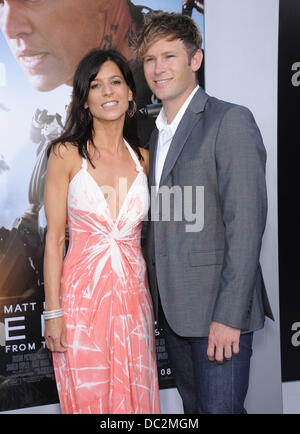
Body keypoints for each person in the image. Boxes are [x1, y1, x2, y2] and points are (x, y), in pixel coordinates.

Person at [135, 11, 274, 414]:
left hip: (218, 313)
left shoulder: (229, 120)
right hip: (176, 313)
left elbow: (246, 225)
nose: (158, 69)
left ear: (195, 60)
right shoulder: (157, 133)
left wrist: (228, 317)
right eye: (150, 59)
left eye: (169, 56)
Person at [43, 49, 160, 414]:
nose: (107, 92)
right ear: (84, 98)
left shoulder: (145, 159)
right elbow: (54, 241)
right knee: (90, 399)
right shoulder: (65, 154)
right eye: (96, 85)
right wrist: (53, 313)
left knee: (135, 402)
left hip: (133, 302)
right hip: (80, 305)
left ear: (130, 94)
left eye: (116, 82)